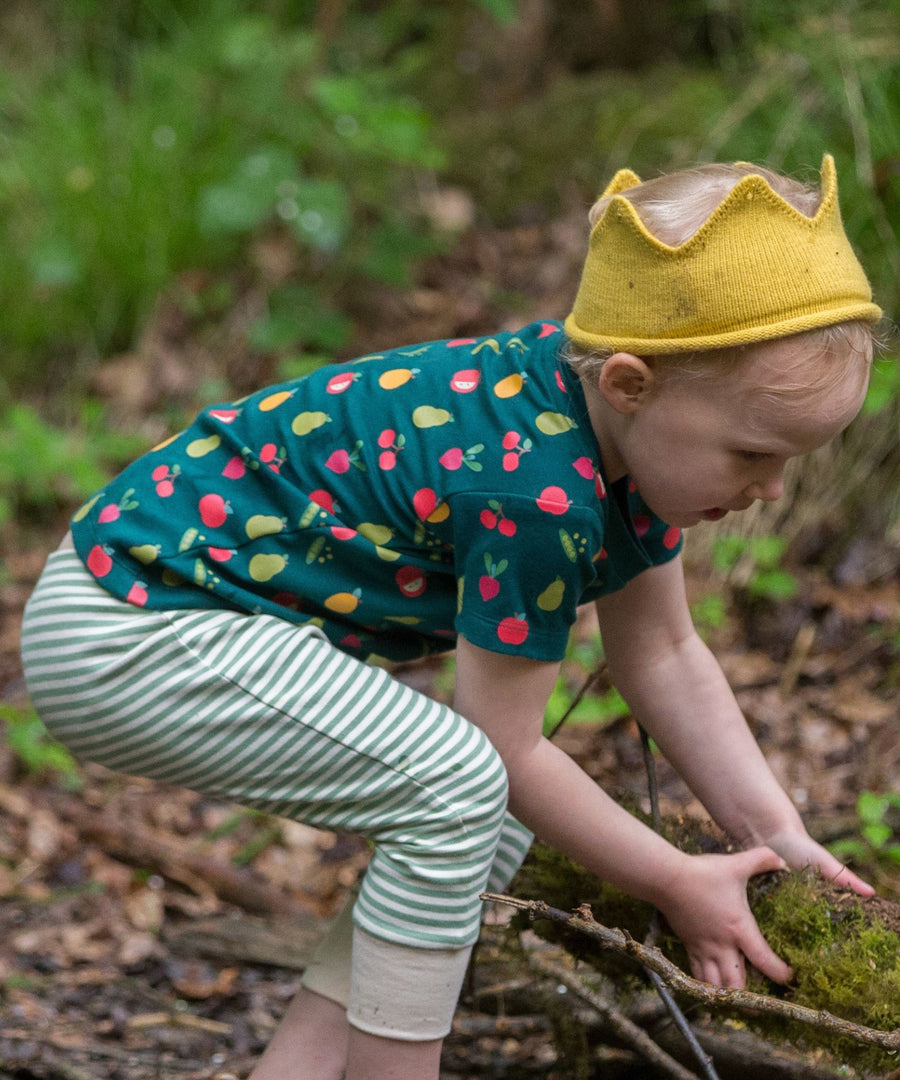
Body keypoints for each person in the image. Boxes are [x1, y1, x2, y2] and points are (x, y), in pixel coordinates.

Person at [20, 152, 882, 1080]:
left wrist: (774, 836)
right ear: (632, 383)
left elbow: (666, 653)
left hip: (169, 617)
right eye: (753, 453)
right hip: (132, 625)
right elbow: (502, 751)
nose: (771, 489)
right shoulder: (536, 489)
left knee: (496, 811)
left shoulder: (605, 431)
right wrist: (674, 881)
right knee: (468, 781)